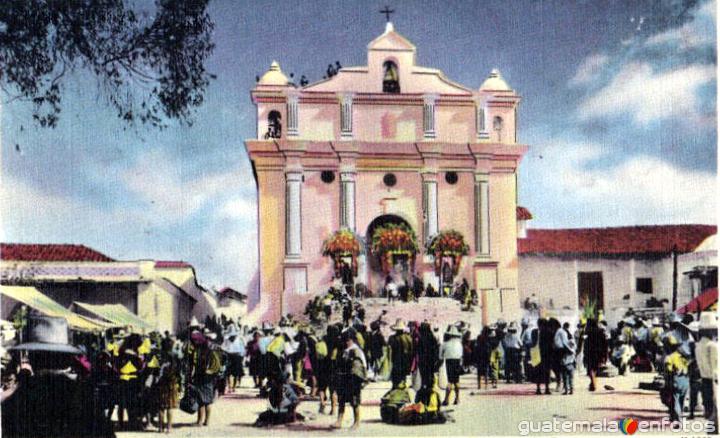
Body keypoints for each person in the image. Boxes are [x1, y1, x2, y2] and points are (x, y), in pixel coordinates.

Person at [333, 329, 366, 430]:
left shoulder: (356, 351)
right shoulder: (345, 350)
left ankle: (356, 422)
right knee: (341, 400)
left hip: (352, 380)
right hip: (344, 378)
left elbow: (360, 367)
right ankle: (339, 420)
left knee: (354, 401)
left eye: (346, 340)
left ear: (351, 340)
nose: (345, 342)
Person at [189, 331, 221, 426]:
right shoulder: (210, 348)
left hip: (205, 377)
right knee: (204, 400)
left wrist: (208, 372)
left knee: (203, 400)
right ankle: (203, 421)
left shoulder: (209, 349)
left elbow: (216, 364)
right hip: (205, 376)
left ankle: (202, 421)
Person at [695, 312, 718, 433]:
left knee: (709, 411)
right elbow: (716, 367)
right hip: (714, 381)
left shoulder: (698, 346)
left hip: (704, 380)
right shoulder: (713, 346)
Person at [156, 338, 180, 433]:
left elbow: (155, 370)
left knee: (161, 407)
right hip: (171, 383)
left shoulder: (159, 356)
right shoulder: (175, 357)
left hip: (160, 383)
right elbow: (178, 370)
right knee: (169, 406)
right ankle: (169, 428)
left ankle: (160, 428)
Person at [664, 334, 689, 423]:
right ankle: (679, 416)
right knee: (681, 400)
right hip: (685, 381)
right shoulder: (682, 356)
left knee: (675, 400)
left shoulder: (669, 357)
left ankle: (678, 419)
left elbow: (668, 370)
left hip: (676, 380)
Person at [583, 318, 608, 392]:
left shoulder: (588, 332)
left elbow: (586, 344)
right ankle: (593, 382)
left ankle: (593, 383)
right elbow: (605, 344)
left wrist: (585, 353)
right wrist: (605, 355)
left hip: (590, 352)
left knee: (590, 369)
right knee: (595, 369)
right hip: (599, 353)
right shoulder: (601, 332)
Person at [440, 325, 463, 405]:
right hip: (457, 361)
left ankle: (446, 400)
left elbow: (440, 356)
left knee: (449, 381)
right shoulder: (459, 344)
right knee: (456, 381)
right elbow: (461, 355)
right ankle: (457, 398)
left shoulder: (445, 344)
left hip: (449, 362)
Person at [388, 319, 413, 389]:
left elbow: (389, 350)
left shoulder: (392, 338)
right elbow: (411, 351)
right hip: (405, 361)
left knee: (395, 379)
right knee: (403, 378)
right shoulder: (408, 338)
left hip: (396, 361)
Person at [221, 324, 245, 393]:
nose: (233, 337)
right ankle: (229, 386)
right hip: (229, 356)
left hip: (237, 357)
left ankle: (234, 386)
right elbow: (223, 348)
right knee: (228, 373)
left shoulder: (239, 340)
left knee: (236, 373)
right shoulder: (226, 340)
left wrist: (242, 357)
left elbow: (242, 349)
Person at [416, 322, 439, 391]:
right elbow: (436, 349)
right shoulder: (432, 337)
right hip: (431, 360)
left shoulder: (420, 338)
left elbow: (418, 350)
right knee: (430, 374)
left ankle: (424, 386)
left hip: (422, 360)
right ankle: (430, 387)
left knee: (423, 375)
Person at [554, 322, 576, 395]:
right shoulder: (573, 350)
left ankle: (566, 390)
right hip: (571, 365)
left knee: (565, 378)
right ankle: (571, 390)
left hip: (564, 365)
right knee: (571, 378)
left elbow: (563, 344)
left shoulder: (564, 350)